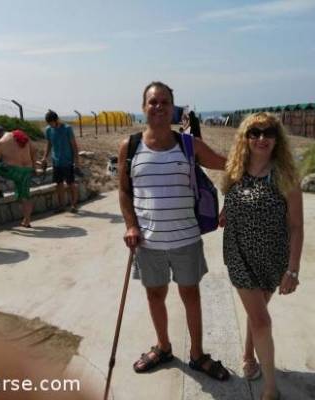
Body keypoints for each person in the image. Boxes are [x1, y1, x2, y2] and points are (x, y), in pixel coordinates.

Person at [118, 81, 230, 380]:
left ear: (173, 108)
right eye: (153, 102)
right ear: (144, 107)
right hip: (148, 242)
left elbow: (230, 167)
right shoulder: (129, 147)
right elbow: (125, 192)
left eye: (164, 102)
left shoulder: (189, 145)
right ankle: (163, 346)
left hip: (186, 239)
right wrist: (130, 224)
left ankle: (197, 355)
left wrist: (232, 202)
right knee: (155, 296)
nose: (158, 107)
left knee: (190, 295)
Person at [221, 112, 304, 400]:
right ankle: (271, 388)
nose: (261, 138)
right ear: (245, 138)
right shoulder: (235, 170)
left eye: (268, 132)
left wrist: (292, 270)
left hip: (273, 258)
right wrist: (224, 212)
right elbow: (230, 200)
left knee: (257, 313)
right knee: (261, 321)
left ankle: (248, 355)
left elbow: (296, 227)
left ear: (276, 138)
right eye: (254, 133)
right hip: (239, 255)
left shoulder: (285, 177)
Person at [0, 130, 36, 228]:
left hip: (14, 171)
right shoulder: (21, 136)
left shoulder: (0, 143)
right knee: (25, 196)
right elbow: (34, 149)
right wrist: (34, 167)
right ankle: (27, 221)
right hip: (27, 170)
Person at [41, 111, 80, 213]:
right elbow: (49, 144)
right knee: (59, 184)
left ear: (56, 120)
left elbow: (74, 145)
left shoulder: (67, 129)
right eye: (48, 123)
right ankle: (61, 206)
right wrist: (45, 157)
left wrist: (76, 160)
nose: (50, 125)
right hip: (56, 161)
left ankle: (74, 205)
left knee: (70, 183)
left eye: (51, 123)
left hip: (67, 161)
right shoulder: (48, 130)